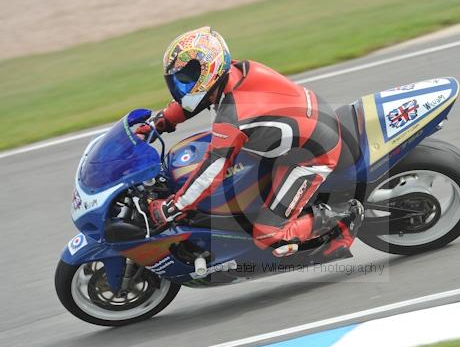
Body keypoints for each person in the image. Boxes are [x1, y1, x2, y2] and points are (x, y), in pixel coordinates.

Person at [136, 26, 363, 260]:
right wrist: (160, 122)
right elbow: (196, 99)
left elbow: (210, 171)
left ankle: (343, 218)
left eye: (188, 77)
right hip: (306, 124)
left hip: (313, 154)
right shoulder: (233, 71)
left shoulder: (232, 118)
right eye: (178, 79)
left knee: (267, 233)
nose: (182, 86)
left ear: (208, 72)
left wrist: (173, 207)